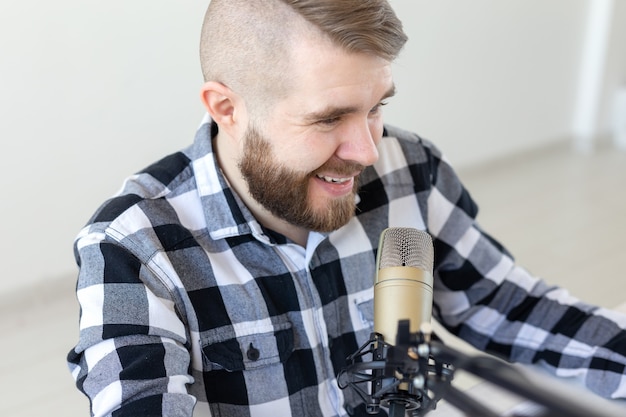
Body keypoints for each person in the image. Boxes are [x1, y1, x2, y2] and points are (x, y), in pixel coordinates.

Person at [67, 1, 626, 416]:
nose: (366, 151)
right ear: (227, 107)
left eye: (376, 107)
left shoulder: (408, 168)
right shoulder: (133, 248)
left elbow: (506, 306)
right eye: (329, 118)